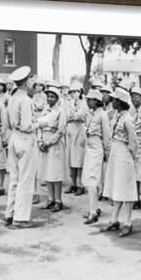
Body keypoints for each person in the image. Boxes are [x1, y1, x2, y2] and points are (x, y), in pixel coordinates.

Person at [101, 87, 138, 237]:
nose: (112, 101)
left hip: (124, 154)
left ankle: (128, 222)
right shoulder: (116, 115)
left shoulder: (128, 119)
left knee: (126, 189)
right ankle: (114, 219)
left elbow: (134, 143)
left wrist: (131, 159)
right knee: (116, 187)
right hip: (116, 152)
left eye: (115, 99)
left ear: (120, 102)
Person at [4, 66, 38, 227]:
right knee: (25, 180)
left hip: (14, 138)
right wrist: (39, 123)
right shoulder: (26, 100)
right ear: (25, 82)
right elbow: (26, 125)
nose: (32, 82)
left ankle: (10, 214)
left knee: (14, 179)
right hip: (24, 139)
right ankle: (21, 218)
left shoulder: (12, 98)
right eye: (30, 79)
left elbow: (11, 123)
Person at [36, 84, 67, 212]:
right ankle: (50, 198)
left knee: (55, 173)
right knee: (47, 172)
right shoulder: (44, 110)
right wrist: (40, 141)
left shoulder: (60, 111)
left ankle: (58, 200)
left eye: (52, 97)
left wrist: (48, 142)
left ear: (57, 98)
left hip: (54, 145)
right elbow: (39, 126)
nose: (49, 99)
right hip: (45, 144)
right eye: (48, 96)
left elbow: (61, 131)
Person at [81, 89, 111, 224]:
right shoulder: (90, 114)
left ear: (97, 101)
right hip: (89, 147)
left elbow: (106, 136)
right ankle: (95, 207)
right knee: (90, 179)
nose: (88, 101)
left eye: (90, 99)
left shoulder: (103, 115)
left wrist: (106, 152)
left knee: (92, 180)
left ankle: (93, 213)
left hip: (97, 147)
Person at [64, 81, 89, 196]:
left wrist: (72, 115)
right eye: (71, 92)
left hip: (79, 130)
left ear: (80, 92)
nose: (73, 94)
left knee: (79, 158)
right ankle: (73, 183)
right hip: (70, 130)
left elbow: (80, 115)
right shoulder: (68, 103)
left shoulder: (84, 103)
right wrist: (71, 115)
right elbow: (66, 115)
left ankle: (80, 184)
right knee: (70, 157)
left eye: (76, 91)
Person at [31, 77, 48, 205]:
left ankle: (40, 191)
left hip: (41, 122)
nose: (38, 88)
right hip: (33, 122)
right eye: (36, 86)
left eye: (40, 86)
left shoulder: (44, 97)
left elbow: (41, 108)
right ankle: (33, 192)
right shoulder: (33, 96)